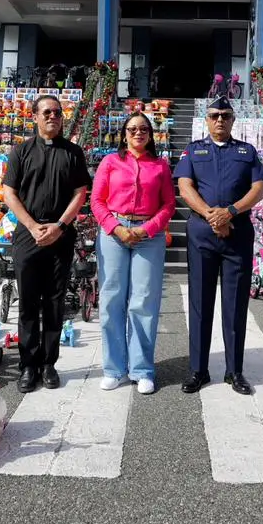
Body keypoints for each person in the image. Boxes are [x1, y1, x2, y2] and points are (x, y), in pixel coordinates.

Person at [174, 97, 263, 395]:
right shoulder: (193, 150)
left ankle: (234, 371)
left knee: (236, 304)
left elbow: (259, 188)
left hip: (237, 233)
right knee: (200, 303)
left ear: (233, 120)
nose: (220, 120)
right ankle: (198, 370)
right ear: (206, 119)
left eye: (225, 116)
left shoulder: (247, 151)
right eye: (214, 115)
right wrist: (211, 215)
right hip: (203, 233)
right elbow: (184, 186)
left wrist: (230, 212)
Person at [1, 94, 91, 393]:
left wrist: (60, 226)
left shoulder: (73, 153)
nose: (53, 116)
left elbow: (80, 192)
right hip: (29, 234)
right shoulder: (21, 152)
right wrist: (31, 225)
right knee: (28, 302)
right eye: (47, 112)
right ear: (35, 116)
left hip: (61, 234)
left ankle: (49, 363)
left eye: (57, 112)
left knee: (54, 302)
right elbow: (9, 193)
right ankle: (28, 366)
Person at [89, 111, 176, 394]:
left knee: (143, 302)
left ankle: (142, 369)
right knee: (112, 299)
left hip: (148, 236)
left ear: (151, 135)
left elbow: (168, 206)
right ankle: (114, 368)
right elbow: (97, 201)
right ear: (124, 134)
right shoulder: (111, 162)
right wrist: (116, 228)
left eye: (144, 129)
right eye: (132, 129)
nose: (138, 133)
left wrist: (147, 229)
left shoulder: (160, 166)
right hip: (114, 234)